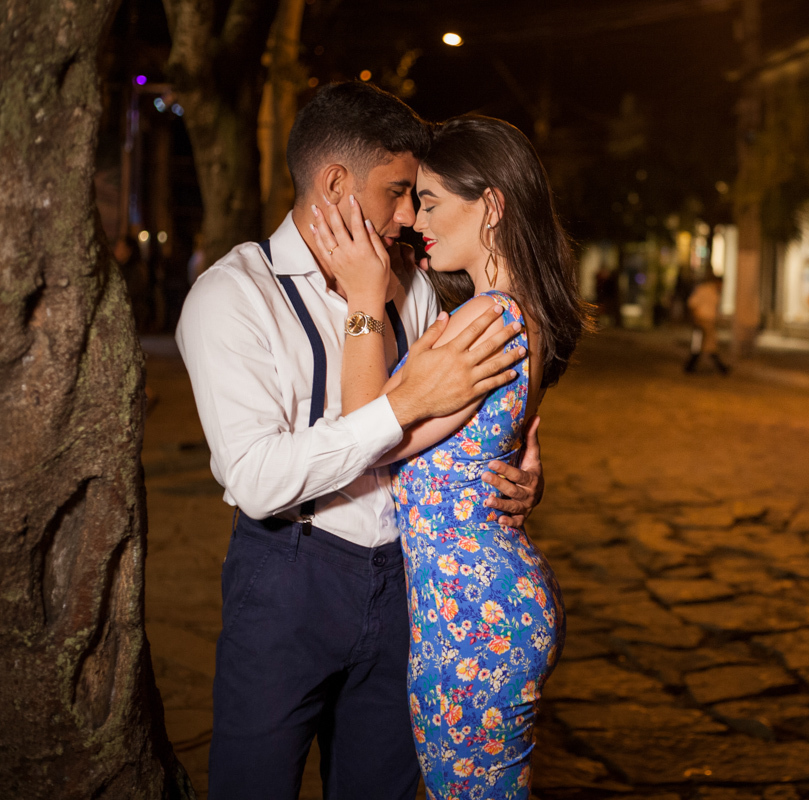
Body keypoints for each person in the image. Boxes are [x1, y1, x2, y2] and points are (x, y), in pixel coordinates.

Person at [176, 83, 544, 800]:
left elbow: (479, 416)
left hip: (411, 582)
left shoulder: (414, 284)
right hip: (291, 577)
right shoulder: (233, 295)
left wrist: (518, 473)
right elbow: (254, 477)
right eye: (398, 191)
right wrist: (400, 407)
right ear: (336, 185)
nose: (409, 215)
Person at [309, 114, 587, 797]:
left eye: (430, 200)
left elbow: (364, 427)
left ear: (490, 204)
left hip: (473, 618)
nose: (415, 218)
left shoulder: (484, 320)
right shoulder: (513, 313)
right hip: (477, 606)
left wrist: (364, 296)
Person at [684, 271, 728, 374]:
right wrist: (695, 319)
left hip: (709, 321)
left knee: (706, 345)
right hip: (702, 320)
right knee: (702, 344)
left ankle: (691, 367)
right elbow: (692, 304)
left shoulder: (715, 292)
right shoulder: (704, 290)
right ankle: (721, 368)